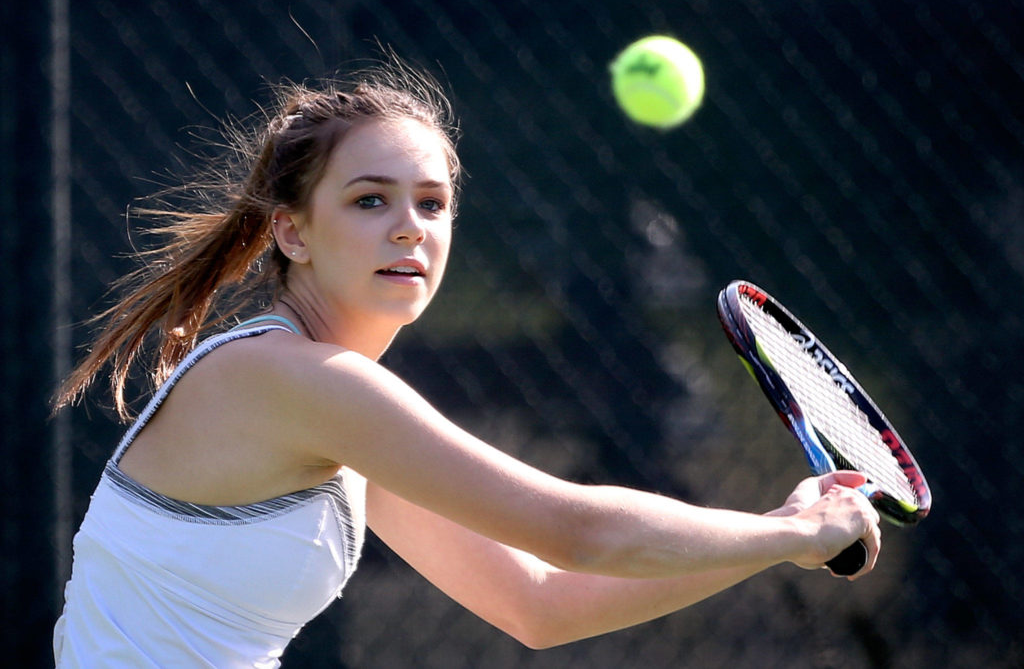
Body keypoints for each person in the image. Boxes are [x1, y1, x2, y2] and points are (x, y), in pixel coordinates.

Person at [51, 58, 881, 667]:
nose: (411, 227)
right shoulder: (292, 379)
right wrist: (795, 532)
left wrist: (773, 538)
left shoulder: (333, 410)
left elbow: (540, 602)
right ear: (293, 232)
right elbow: (574, 528)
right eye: (370, 199)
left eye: (433, 203)